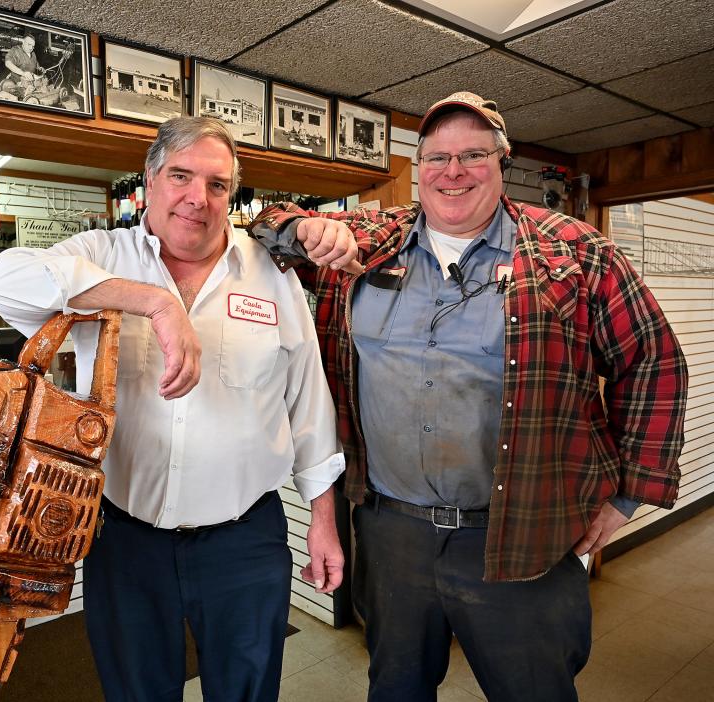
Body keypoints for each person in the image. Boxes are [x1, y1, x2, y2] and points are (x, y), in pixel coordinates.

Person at [248, 91, 688, 701]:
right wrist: (301, 225)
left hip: (523, 533)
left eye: (473, 154)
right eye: (436, 157)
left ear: (501, 162)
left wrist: (629, 493)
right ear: (420, 166)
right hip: (391, 529)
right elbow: (263, 226)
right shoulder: (372, 239)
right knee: (396, 687)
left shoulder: (577, 252)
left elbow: (654, 362)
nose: (452, 172)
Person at [0, 116, 345, 702]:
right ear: (150, 180)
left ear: (232, 195)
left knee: (249, 693)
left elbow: (309, 406)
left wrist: (324, 525)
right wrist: (152, 302)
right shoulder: (102, 254)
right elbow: (5, 279)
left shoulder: (272, 274)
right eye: (180, 176)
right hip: (125, 538)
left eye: (217, 184)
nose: (197, 199)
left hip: (244, 540)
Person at [0, 34, 42, 99]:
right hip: (17, 83)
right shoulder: (15, 50)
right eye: (29, 44)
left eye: (33, 46)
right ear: (23, 42)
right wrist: (23, 73)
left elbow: (35, 63)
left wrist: (39, 68)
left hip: (30, 83)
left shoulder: (33, 53)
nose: (31, 48)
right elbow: (8, 63)